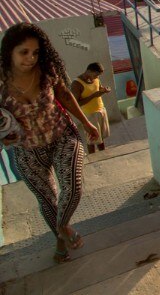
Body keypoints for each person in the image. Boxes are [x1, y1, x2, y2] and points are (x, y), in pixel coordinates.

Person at [0, 23, 100, 263]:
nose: (31, 58)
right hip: (26, 151)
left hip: (62, 136)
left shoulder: (46, 69)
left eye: (35, 52)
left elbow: (65, 95)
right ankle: (61, 240)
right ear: (9, 51)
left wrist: (86, 123)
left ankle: (62, 228)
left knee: (73, 187)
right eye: (24, 52)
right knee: (48, 202)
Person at [71, 62, 111, 155]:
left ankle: (103, 155)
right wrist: (93, 96)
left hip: (101, 110)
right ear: (89, 71)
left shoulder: (96, 79)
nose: (97, 77)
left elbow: (99, 88)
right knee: (92, 139)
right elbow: (76, 103)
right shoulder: (77, 84)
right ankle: (92, 157)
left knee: (101, 138)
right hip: (89, 115)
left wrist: (104, 90)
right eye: (96, 74)